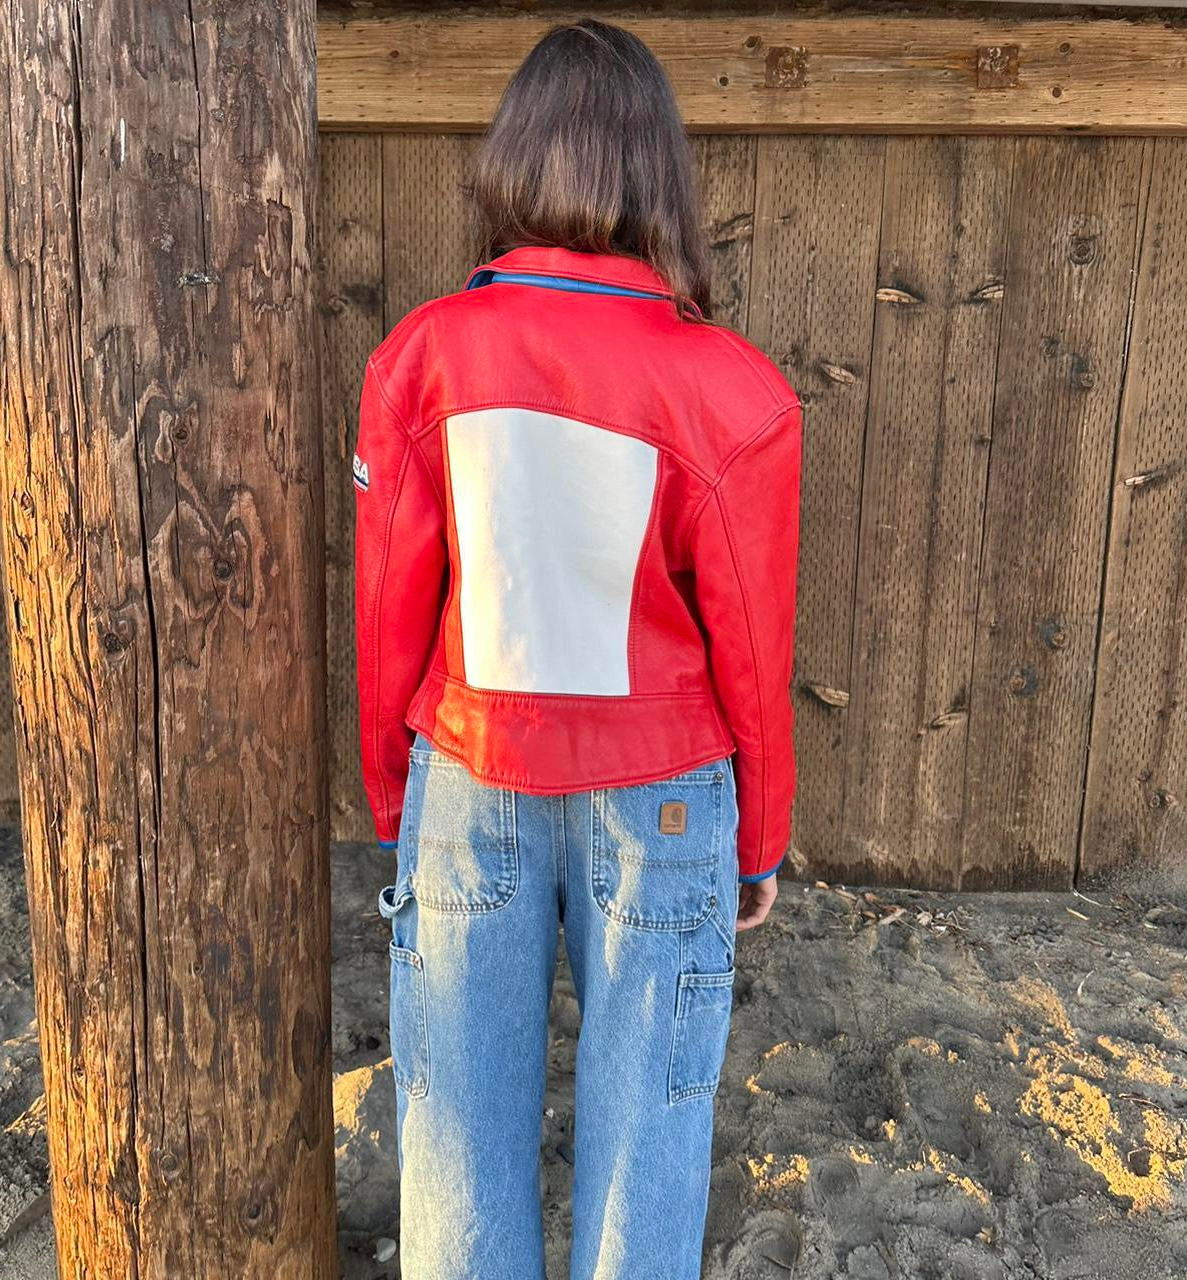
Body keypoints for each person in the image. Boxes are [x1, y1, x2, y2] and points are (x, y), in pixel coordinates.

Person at [353, 18, 801, 1279]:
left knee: (452, 1143)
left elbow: (389, 605)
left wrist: (397, 803)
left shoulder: (422, 357)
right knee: (645, 1145)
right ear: (659, 173)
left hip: (468, 777)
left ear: (512, 160)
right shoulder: (734, 391)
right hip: (661, 803)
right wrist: (756, 836)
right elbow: (751, 655)